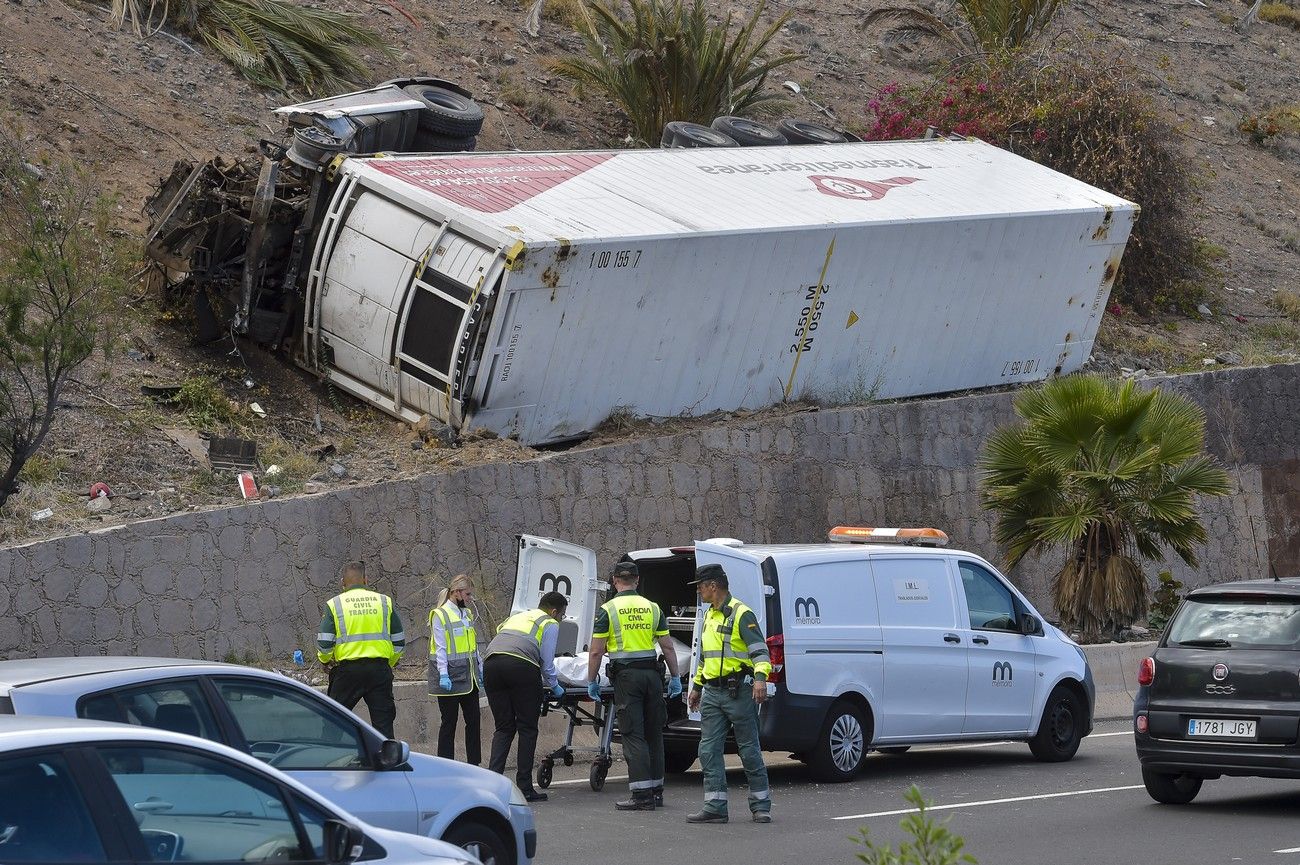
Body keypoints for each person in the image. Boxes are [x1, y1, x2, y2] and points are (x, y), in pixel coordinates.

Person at [586, 560, 683, 811]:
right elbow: (668, 646)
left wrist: (591, 681)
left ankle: (641, 796)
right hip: (652, 675)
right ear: (637, 581)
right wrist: (674, 677)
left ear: (615, 581)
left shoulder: (607, 610)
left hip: (627, 679)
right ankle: (656, 791)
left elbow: (596, 652)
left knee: (632, 734)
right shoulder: (653, 608)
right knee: (654, 734)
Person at [686, 563, 773, 825]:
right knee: (708, 750)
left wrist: (760, 680)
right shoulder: (709, 616)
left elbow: (760, 652)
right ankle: (715, 807)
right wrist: (697, 687)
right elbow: (705, 659)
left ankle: (761, 806)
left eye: (701, 586)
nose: (699, 591)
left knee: (749, 750)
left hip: (739, 692)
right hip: (712, 692)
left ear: (713, 586)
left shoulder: (741, 614)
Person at [482, 590, 569, 803]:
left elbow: (501, 641)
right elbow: (546, 663)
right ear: (555, 611)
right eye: (562, 615)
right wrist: (555, 686)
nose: (561, 619)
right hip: (521, 666)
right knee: (527, 728)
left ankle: (492, 785)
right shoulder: (549, 623)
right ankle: (525, 788)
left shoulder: (517, 617)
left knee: (504, 727)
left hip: (491, 664)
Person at [316, 561, 405, 740]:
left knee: (334, 722)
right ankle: (387, 764)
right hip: (379, 671)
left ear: (342, 582)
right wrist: (390, 662)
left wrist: (325, 660)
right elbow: (399, 641)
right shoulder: (384, 602)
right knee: (383, 725)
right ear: (366, 580)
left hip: (347, 673)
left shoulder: (335, 604)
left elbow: (324, 644)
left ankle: (328, 764)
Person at [429, 573, 483, 765]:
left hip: (469, 677)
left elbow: (472, 644)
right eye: (467, 594)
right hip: (449, 678)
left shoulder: (466, 613)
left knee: (474, 721)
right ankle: (446, 764)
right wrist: (443, 674)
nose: (469, 598)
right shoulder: (440, 615)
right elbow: (441, 648)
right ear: (456, 592)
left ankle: (474, 763)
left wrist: (480, 667)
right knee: (449, 723)